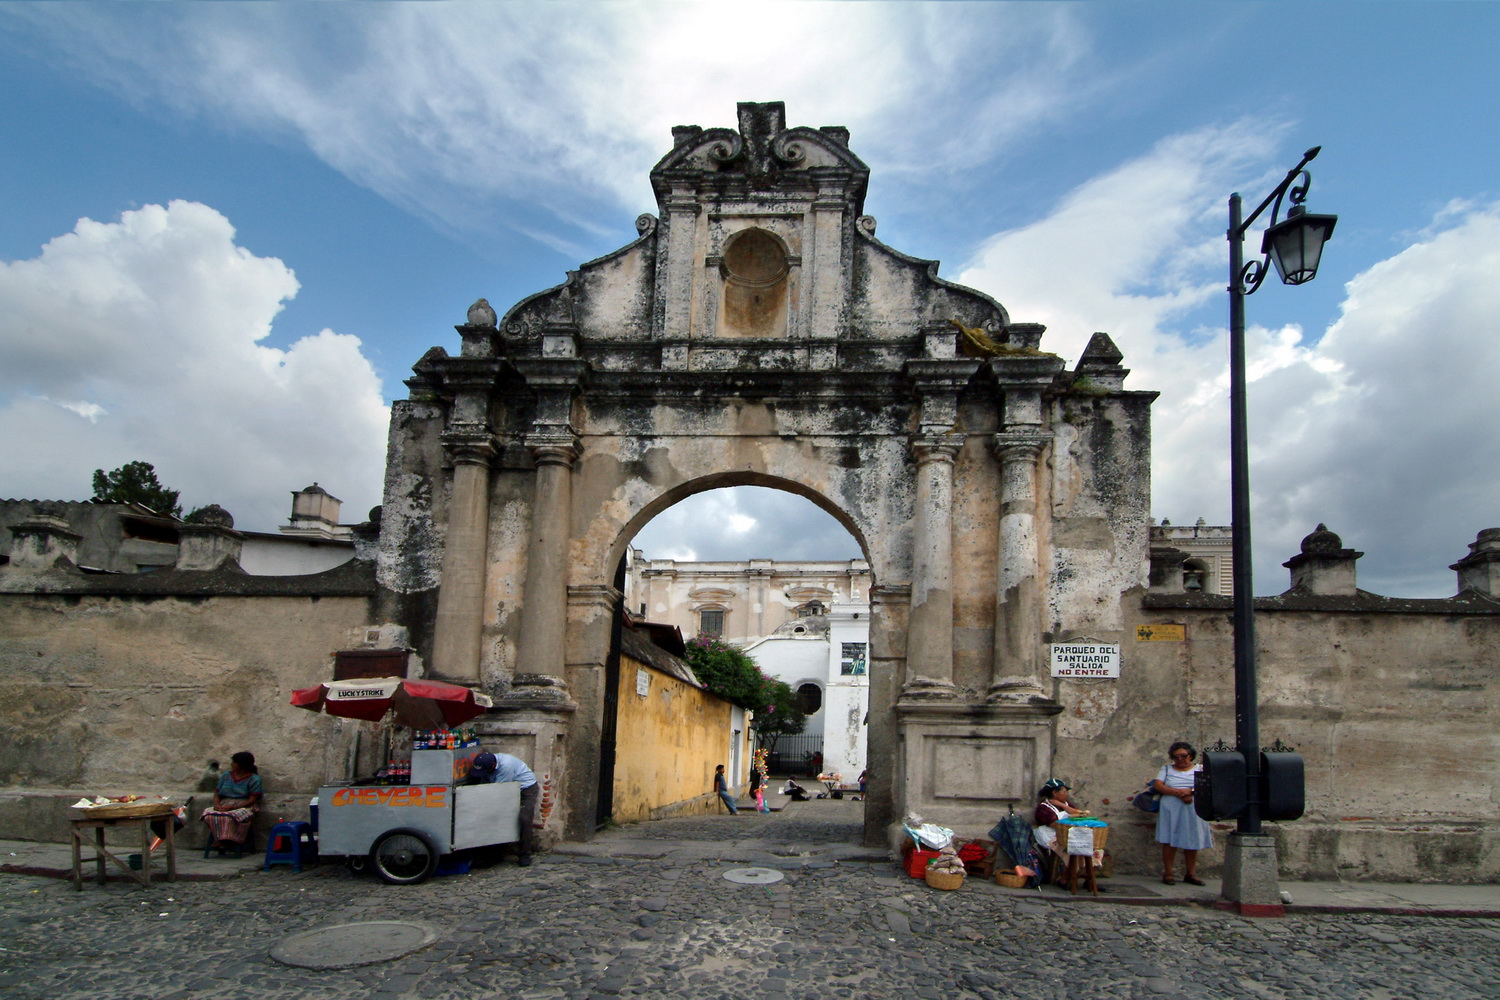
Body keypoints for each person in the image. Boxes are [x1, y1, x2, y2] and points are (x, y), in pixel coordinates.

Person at [1153, 741, 1213, 885]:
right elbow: (1158, 785)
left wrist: (1190, 792)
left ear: (1190, 755)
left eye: (1183, 756)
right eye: (1176, 757)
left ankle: (1191, 873)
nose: (1180, 759)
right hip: (1171, 807)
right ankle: (1168, 873)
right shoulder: (1166, 769)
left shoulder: (1200, 769)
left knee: (1192, 838)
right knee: (1169, 839)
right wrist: (1178, 793)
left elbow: (1207, 785)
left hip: (1193, 807)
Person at [470, 750, 539, 866]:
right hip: (507, 788)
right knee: (494, 817)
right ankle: (494, 854)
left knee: (524, 818)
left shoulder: (506, 766)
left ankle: (525, 854)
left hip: (525, 790)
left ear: (493, 766)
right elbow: (485, 783)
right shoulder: (488, 765)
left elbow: (499, 791)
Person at [200, 751, 262, 849]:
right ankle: (220, 838)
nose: (232, 764)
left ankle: (225, 841)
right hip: (225, 803)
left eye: (234, 762)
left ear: (241, 765)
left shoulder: (254, 779)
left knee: (229, 817)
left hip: (244, 805)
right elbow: (217, 793)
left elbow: (252, 800)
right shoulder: (226, 776)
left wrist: (233, 807)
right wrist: (217, 804)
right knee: (208, 815)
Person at [1031, 778, 1088, 872]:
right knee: (1069, 849)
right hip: (1050, 837)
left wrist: (1063, 806)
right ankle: (1065, 878)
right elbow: (1056, 825)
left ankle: (1087, 877)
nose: (1067, 794)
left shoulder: (1066, 804)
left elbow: (1079, 814)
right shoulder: (1044, 808)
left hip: (1067, 834)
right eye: (1064, 792)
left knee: (1090, 847)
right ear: (1054, 792)